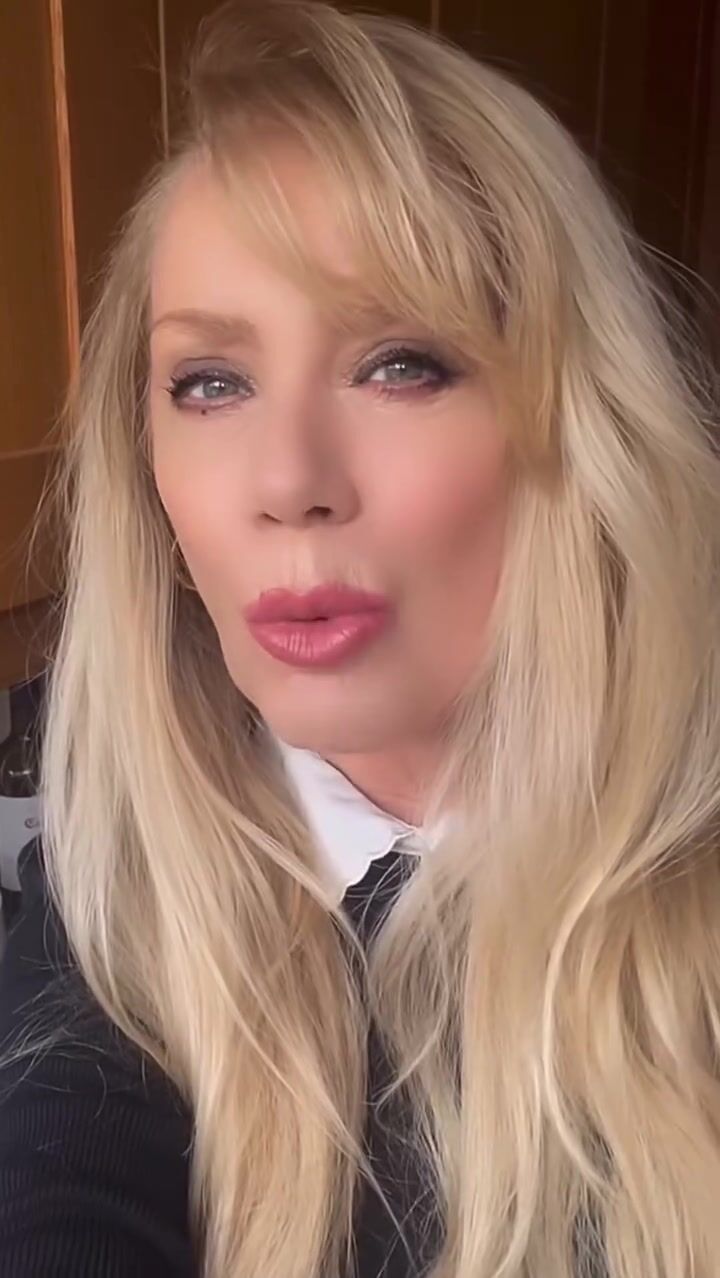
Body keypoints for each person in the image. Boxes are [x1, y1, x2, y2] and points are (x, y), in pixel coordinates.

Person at [1, 1, 720, 1274]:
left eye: (401, 364)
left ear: (577, 426)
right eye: (210, 382)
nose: (288, 480)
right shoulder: (119, 872)